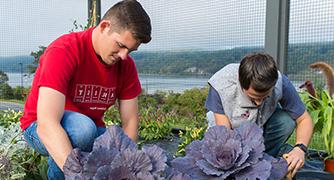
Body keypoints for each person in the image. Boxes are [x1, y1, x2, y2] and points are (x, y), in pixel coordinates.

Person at [19, 0, 151, 179]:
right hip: (38, 127)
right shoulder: (64, 51)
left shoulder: (125, 65)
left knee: (118, 142)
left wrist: (126, 169)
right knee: (82, 131)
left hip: (89, 128)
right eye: (120, 45)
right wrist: (77, 176)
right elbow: (47, 125)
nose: (123, 56)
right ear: (104, 26)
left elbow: (130, 123)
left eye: (130, 50)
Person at [205, 52, 313, 177]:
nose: (258, 103)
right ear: (241, 83)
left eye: (265, 97)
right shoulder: (221, 85)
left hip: (261, 125)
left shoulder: (281, 82)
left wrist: (300, 149)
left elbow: (304, 119)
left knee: (286, 121)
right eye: (253, 98)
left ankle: (265, 160)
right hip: (230, 131)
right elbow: (224, 134)